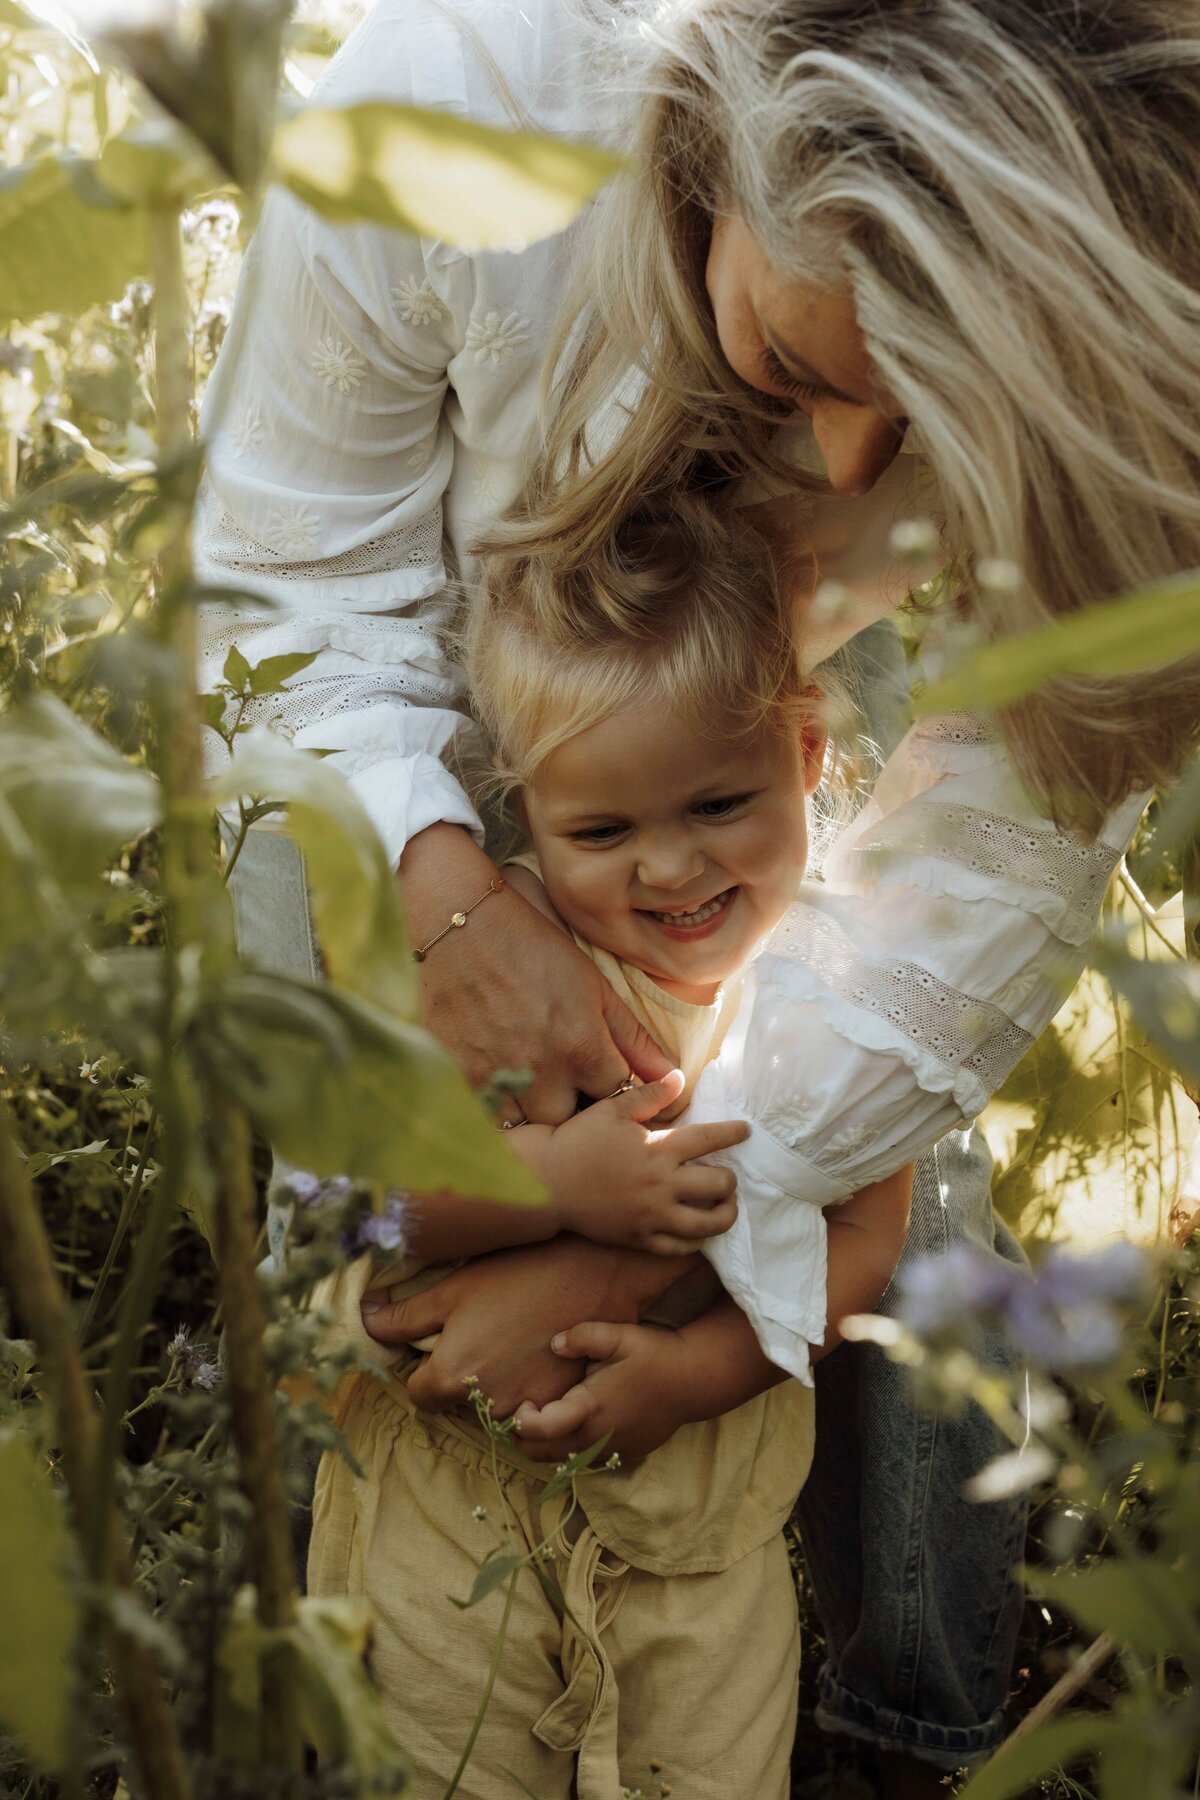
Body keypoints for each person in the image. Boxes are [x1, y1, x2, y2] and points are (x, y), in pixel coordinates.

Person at [198, 0, 1200, 1787]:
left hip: (773, 714)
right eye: (801, 366)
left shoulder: (1128, 319)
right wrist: (441, 891)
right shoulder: (451, 108)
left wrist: (632, 1249)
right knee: (358, 1134)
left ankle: (902, 1718)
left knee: (913, 1156)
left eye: (932, 419)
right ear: (726, 147)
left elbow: (965, 903)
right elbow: (289, 586)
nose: (843, 479)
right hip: (439, 662)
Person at [303, 500, 912, 1798]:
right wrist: (549, 1188)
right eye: (602, 832)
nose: (671, 865)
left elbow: (868, 1237)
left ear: (806, 755)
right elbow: (361, 1214)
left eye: (720, 800)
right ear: (523, 814)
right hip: (448, 1514)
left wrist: (696, 1375)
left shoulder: (845, 995)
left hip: (702, 1538)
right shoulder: (496, 985)